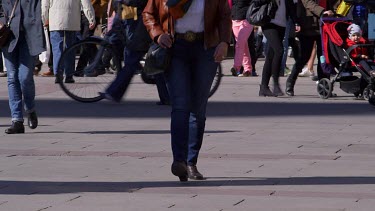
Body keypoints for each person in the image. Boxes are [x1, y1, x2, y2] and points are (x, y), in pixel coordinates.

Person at [143, 0, 231, 181]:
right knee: (181, 105)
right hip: (176, 49)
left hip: (205, 48)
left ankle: (191, 162)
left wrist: (224, 42)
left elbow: (224, 16)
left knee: (197, 108)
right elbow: (148, 14)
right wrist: (158, 34)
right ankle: (179, 161)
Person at [100, 0, 170, 105]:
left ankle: (113, 92)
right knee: (154, 60)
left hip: (142, 24)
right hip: (138, 22)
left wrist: (125, 1)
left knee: (133, 58)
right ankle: (166, 97)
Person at [0, 0, 45, 134]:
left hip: (29, 35)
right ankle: (17, 120)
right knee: (12, 77)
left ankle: (30, 109)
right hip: (9, 35)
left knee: (25, 77)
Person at [285, 0, 339, 96]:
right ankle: (290, 82)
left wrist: (335, 11)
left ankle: (324, 88)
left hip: (324, 25)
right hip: (308, 25)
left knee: (323, 57)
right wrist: (322, 12)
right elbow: (307, 2)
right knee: (304, 57)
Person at [41, 0, 96, 83]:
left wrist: (44, 19)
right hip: (72, 21)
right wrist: (91, 18)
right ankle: (69, 75)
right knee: (70, 49)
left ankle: (58, 74)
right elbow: (86, 3)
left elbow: (45, 4)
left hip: (55, 21)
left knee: (57, 49)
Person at [258, 0, 299, 97]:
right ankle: (276, 84)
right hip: (268, 23)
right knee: (279, 50)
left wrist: (296, 22)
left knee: (271, 55)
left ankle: (264, 87)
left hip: (282, 25)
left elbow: (291, 6)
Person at [230, 0, 253, 77]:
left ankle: (236, 67)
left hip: (246, 20)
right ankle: (248, 69)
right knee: (243, 46)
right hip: (234, 19)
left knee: (239, 44)